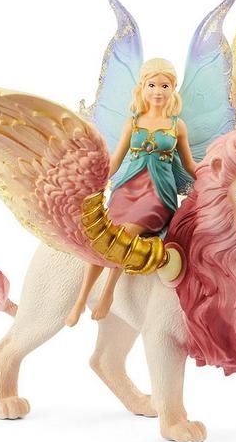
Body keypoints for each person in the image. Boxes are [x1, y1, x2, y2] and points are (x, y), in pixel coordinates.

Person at [66, 58, 198, 326]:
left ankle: (108, 292)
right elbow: (115, 160)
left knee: (124, 233)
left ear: (173, 89)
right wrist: (95, 180)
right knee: (104, 235)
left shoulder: (177, 126)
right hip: (127, 187)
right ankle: (81, 298)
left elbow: (189, 164)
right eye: (152, 85)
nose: (158, 91)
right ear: (142, 87)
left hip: (158, 194)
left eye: (164, 85)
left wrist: (212, 175)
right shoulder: (133, 122)